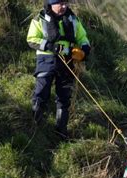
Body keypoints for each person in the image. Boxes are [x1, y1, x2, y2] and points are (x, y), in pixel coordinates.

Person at [26, 0, 91, 138]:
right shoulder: (40, 19)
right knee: (41, 92)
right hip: (46, 60)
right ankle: (34, 126)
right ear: (51, 4)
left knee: (64, 97)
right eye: (60, 4)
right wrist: (50, 46)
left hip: (67, 62)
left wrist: (84, 50)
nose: (64, 7)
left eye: (65, 3)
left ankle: (61, 132)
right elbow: (31, 39)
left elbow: (82, 37)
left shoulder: (73, 20)